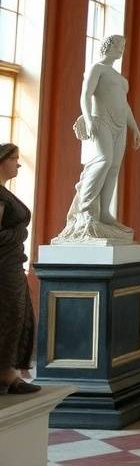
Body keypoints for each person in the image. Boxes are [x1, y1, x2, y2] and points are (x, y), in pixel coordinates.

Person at [56, 34, 140, 242]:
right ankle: (85, 208)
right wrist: (87, 118)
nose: (122, 49)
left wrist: (135, 127)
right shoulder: (97, 69)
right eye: (119, 45)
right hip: (100, 120)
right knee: (104, 161)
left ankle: (104, 213)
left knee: (113, 168)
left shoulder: (121, 79)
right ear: (108, 46)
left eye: (124, 46)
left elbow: (125, 105)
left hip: (120, 126)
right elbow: (85, 94)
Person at [0, 143, 39, 394]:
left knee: (19, 318)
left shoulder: (5, 192)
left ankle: (9, 374)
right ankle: (6, 376)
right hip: (3, 267)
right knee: (8, 318)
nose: (19, 163)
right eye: (14, 159)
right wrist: (19, 232)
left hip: (13, 264)